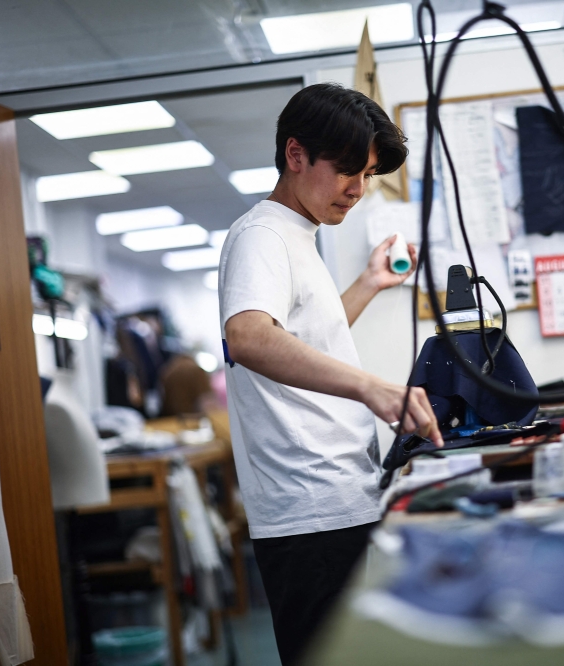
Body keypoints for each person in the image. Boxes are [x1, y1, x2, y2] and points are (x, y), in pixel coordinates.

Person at [218, 83, 443, 664]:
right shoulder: (262, 234)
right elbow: (249, 337)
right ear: (296, 155)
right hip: (309, 510)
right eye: (348, 170)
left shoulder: (297, 237)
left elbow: (296, 340)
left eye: (367, 175)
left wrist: (368, 283)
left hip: (336, 497)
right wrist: (372, 387)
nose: (358, 190)